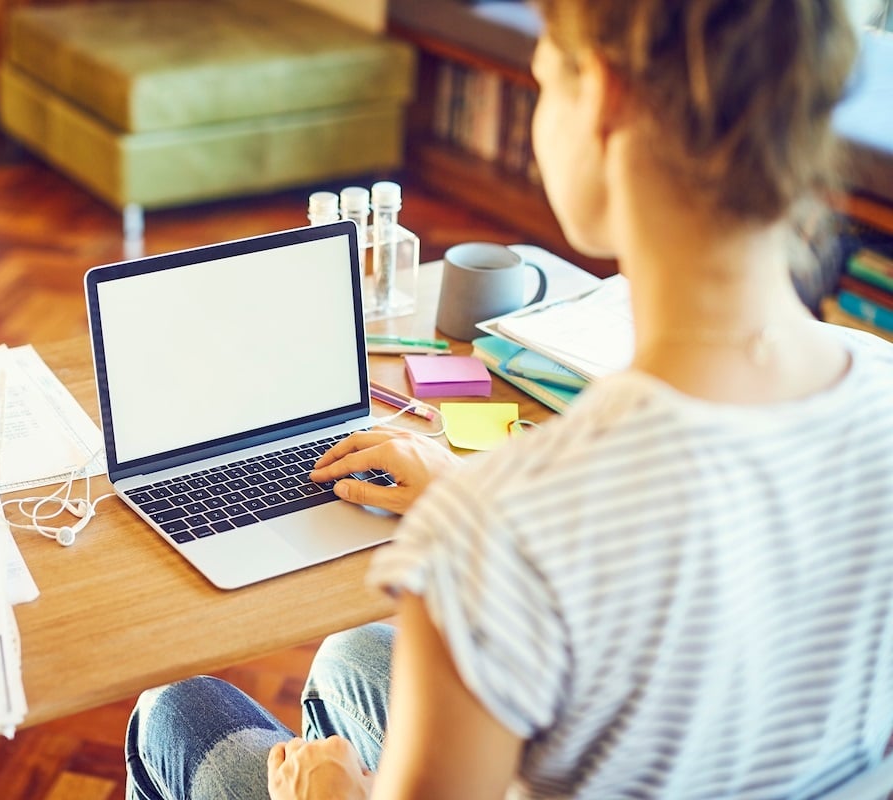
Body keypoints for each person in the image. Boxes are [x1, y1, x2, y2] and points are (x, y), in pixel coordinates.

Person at [126, 0, 893, 796]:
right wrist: (478, 504)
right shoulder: (881, 393)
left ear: (600, 96)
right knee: (355, 655)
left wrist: (326, 789)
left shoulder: (494, 534)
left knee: (178, 714)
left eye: (541, 84)